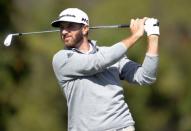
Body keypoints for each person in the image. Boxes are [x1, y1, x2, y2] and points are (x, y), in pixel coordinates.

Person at [51, 8, 159, 131]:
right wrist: (135, 35)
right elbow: (96, 62)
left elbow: (146, 77)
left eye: (70, 26)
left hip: (122, 127)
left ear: (85, 28)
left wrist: (153, 36)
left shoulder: (111, 55)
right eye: (61, 27)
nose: (64, 31)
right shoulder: (62, 59)